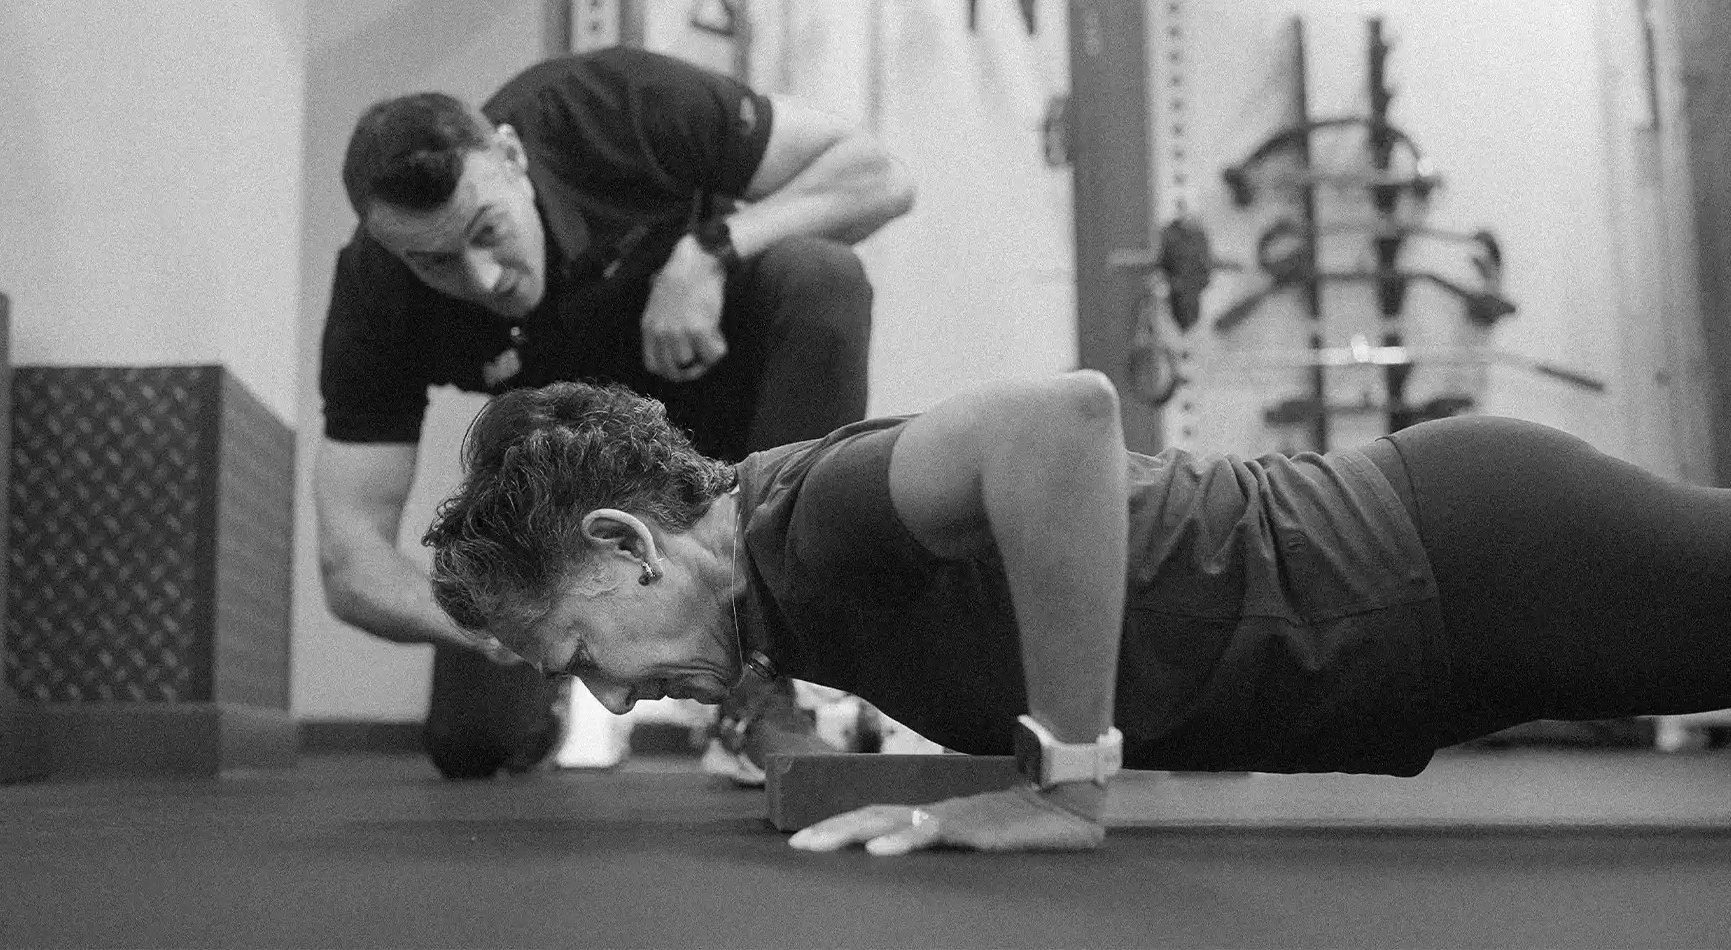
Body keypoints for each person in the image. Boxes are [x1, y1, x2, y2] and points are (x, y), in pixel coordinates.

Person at [421, 372, 1731, 854]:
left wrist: (1062, 783)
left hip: (1457, 556)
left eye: (578, 650)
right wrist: (764, 716)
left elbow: (1064, 421)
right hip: (1424, 628)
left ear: (627, 545)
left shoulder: (815, 519)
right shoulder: (767, 583)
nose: (606, 695)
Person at [316, 46, 914, 781]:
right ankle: (559, 709)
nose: (483, 278)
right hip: (561, 478)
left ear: (512, 157)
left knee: (821, 275)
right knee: (473, 745)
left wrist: (711, 251)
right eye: (434, 262)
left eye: (486, 232)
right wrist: (505, 626)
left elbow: (880, 177)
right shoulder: (375, 293)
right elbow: (351, 561)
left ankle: (772, 676)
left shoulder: (606, 107)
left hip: (730, 423)